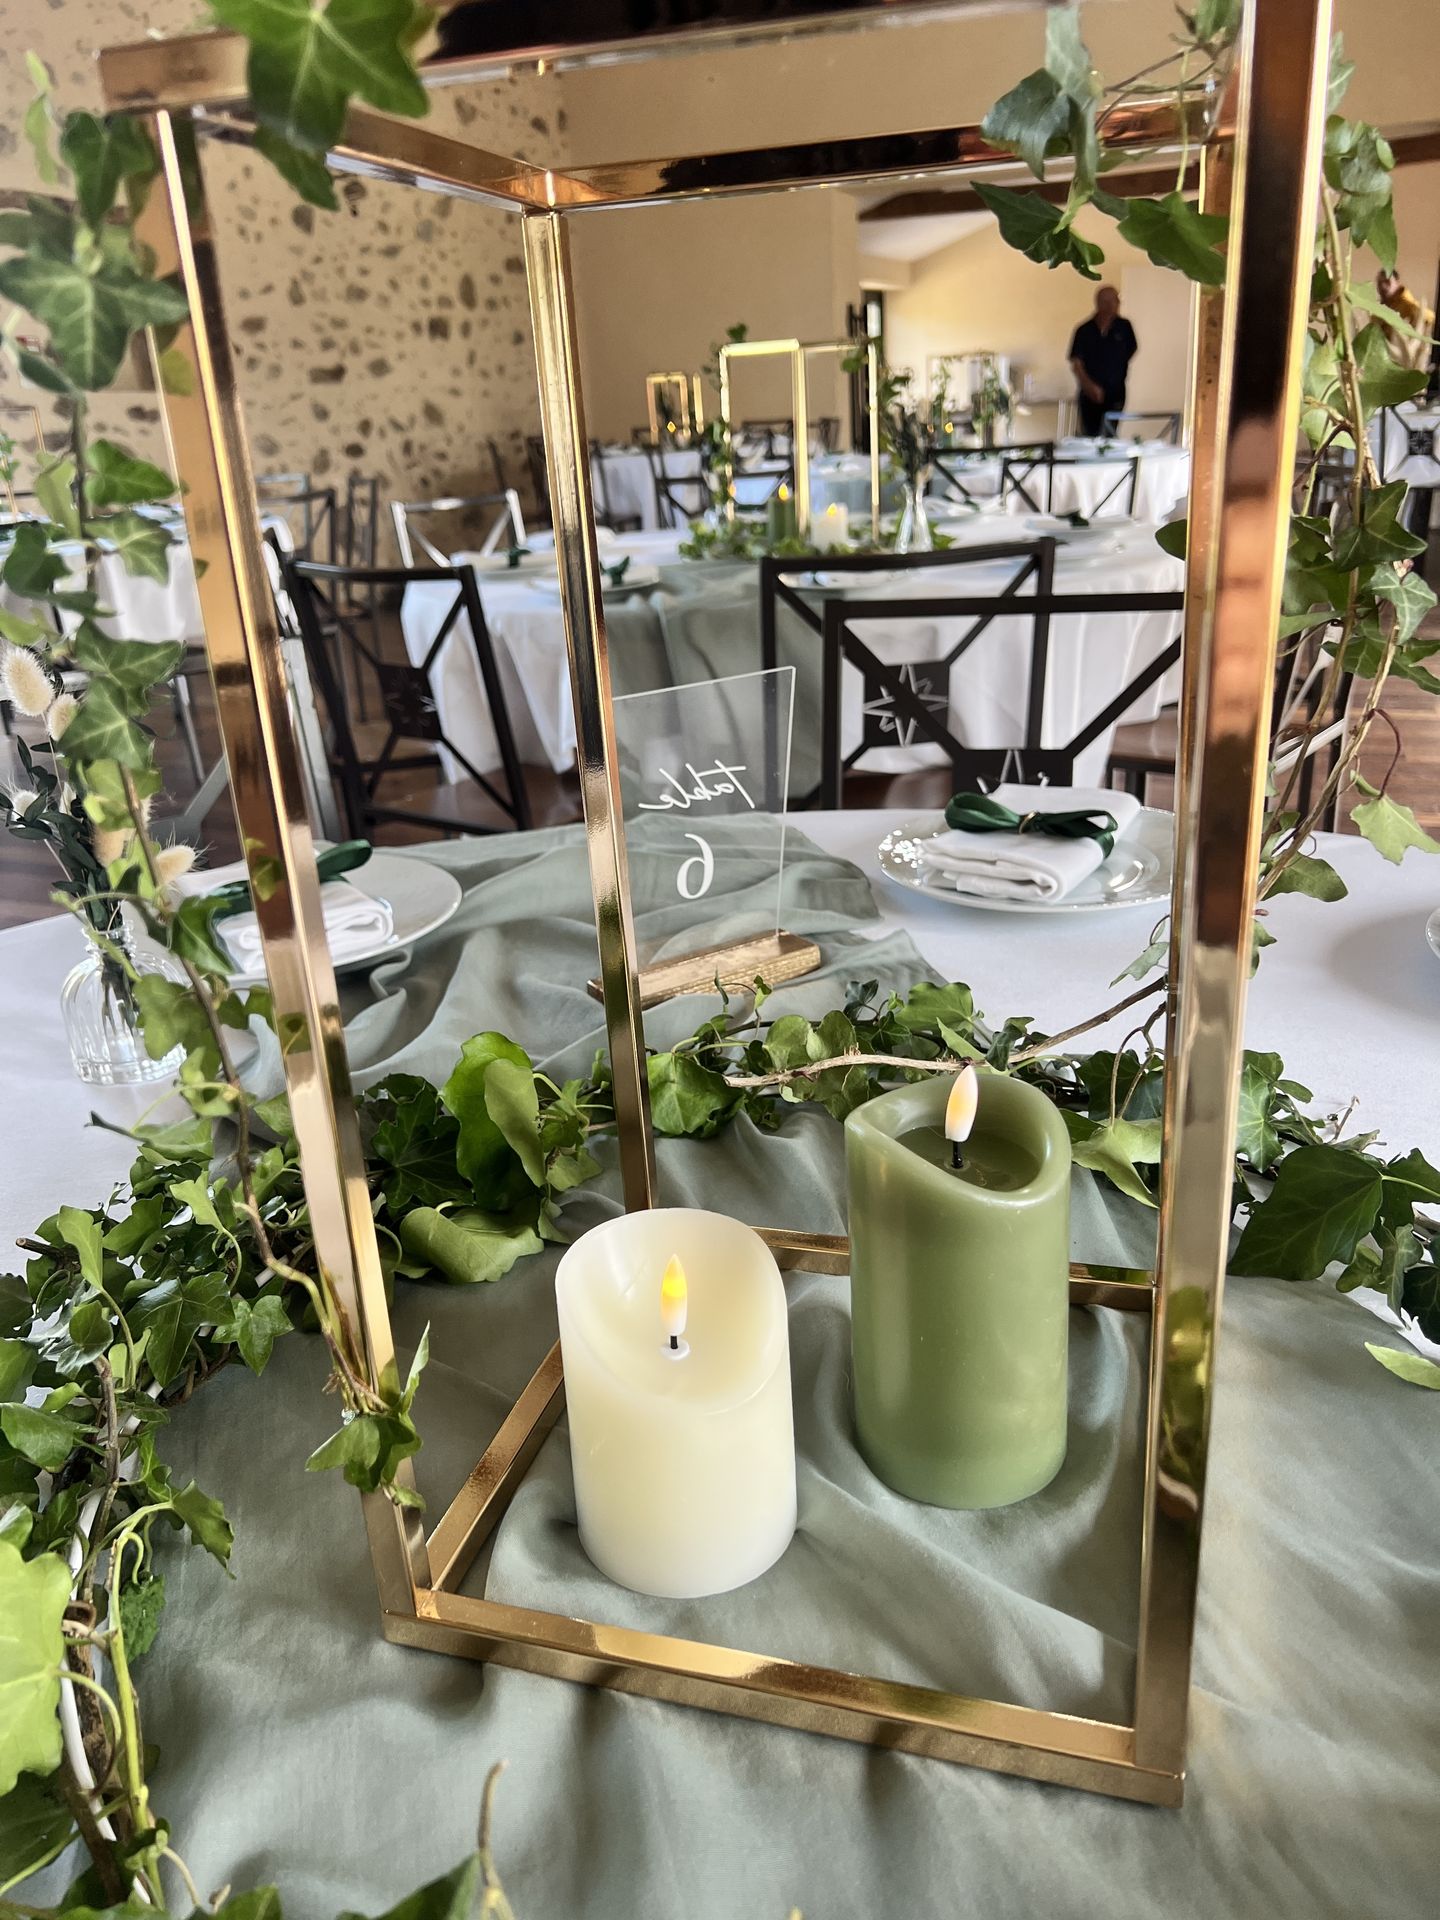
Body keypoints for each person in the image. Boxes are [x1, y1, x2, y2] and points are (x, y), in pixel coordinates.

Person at [1068, 286, 1138, 438]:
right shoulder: (1084, 330)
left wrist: (1115, 369)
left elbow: (1131, 350)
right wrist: (1088, 385)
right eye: (1109, 301)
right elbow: (1076, 362)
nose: (1113, 305)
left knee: (1110, 435)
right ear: (1099, 303)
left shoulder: (1124, 327)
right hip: (1089, 393)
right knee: (1090, 436)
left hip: (1116, 392)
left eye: (1116, 301)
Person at [1376, 269, 1435, 374]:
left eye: (1387, 282)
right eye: (1379, 283)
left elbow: (1430, 317)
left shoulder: (1408, 305)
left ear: (1397, 283)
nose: (1383, 287)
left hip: (1404, 367)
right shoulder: (1378, 308)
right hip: (1384, 365)